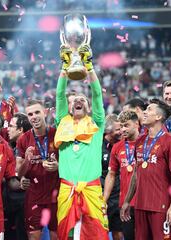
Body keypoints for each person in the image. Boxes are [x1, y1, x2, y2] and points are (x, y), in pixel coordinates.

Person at [55, 44, 109, 239]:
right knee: (67, 235)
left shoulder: (97, 124)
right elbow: (60, 95)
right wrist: (64, 67)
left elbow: (97, 95)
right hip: (67, 190)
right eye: (75, 100)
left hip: (92, 190)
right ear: (69, 108)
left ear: (88, 107)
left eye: (83, 100)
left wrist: (89, 67)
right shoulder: (62, 122)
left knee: (95, 235)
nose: (79, 100)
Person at [120, 99, 171, 239]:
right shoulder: (140, 141)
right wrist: (127, 200)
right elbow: (136, 174)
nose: (144, 112)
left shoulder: (170, 142)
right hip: (141, 206)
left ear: (158, 117)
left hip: (161, 206)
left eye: (148, 110)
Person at [16, 100, 59, 240]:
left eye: (37, 112)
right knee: (34, 237)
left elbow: (71, 164)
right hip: (33, 197)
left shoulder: (57, 135)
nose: (34, 116)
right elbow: (19, 173)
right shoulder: (23, 139)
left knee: (57, 236)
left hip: (56, 196)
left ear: (45, 112)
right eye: (30, 114)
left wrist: (58, 166)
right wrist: (27, 161)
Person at [103, 111, 140, 240]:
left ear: (136, 124)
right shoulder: (117, 147)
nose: (123, 130)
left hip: (144, 203)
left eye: (126, 125)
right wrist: (104, 199)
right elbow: (111, 174)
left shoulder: (146, 142)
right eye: (121, 126)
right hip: (125, 203)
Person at [5, 112, 31, 240]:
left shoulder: (30, 148)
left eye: (11, 126)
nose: (7, 129)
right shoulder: (13, 147)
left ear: (20, 129)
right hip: (11, 203)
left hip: (22, 203)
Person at [100, 114, 122, 240]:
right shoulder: (97, 146)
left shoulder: (123, 145)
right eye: (118, 129)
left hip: (118, 195)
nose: (121, 132)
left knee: (118, 232)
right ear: (108, 130)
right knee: (100, 232)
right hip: (101, 195)